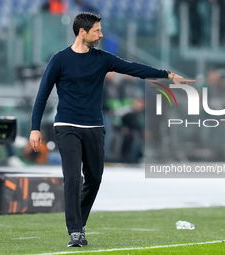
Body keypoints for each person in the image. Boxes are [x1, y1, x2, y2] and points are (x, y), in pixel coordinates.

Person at [29, 12, 184, 248]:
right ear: (82, 32)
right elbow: (42, 95)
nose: (101, 34)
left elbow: (134, 68)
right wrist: (34, 128)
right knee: (72, 178)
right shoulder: (59, 60)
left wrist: (168, 75)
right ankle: (75, 231)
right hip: (66, 126)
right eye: (97, 31)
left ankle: (78, 224)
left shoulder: (103, 59)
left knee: (94, 178)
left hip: (94, 127)